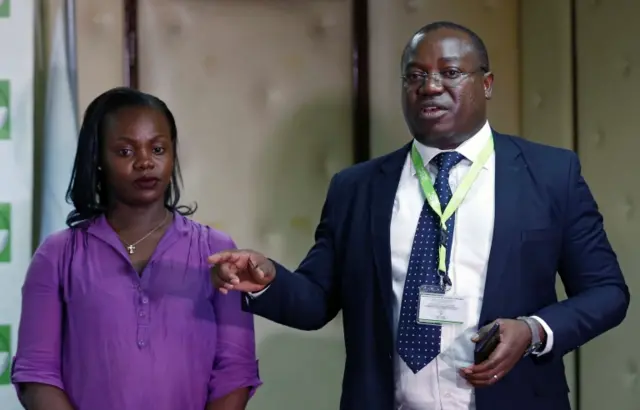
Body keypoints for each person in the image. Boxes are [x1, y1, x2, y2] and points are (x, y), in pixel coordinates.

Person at [210, 21, 630, 410]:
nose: (430, 87)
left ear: (486, 84)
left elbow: (607, 292)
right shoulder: (356, 188)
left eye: (450, 73)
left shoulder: (551, 174)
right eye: (415, 76)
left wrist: (534, 330)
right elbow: (317, 299)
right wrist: (268, 282)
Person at [12, 87, 261, 410]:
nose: (145, 162)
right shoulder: (58, 255)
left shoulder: (218, 252)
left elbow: (235, 372)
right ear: (98, 158)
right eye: (125, 152)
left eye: (158, 148)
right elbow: (37, 373)